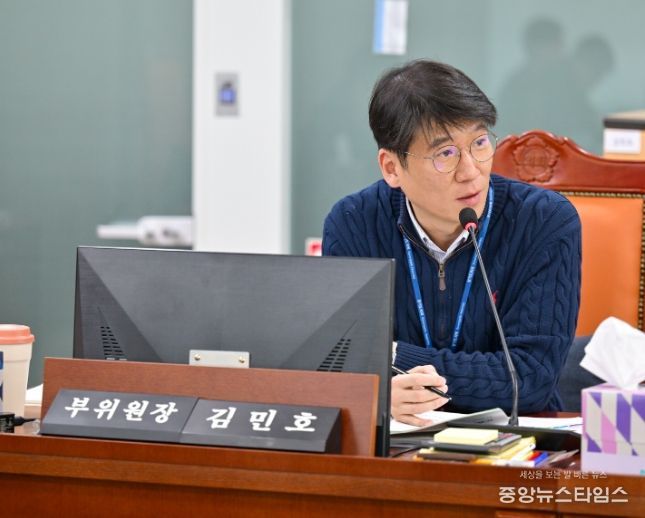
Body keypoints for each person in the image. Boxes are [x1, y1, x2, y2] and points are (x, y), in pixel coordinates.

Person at [322, 59, 581, 426]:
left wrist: (396, 358)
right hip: (399, 437)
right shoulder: (353, 223)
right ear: (392, 168)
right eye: (445, 153)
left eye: (479, 143)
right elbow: (342, 365)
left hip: (519, 438)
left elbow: (529, 380)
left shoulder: (543, 221)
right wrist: (376, 394)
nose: (471, 171)